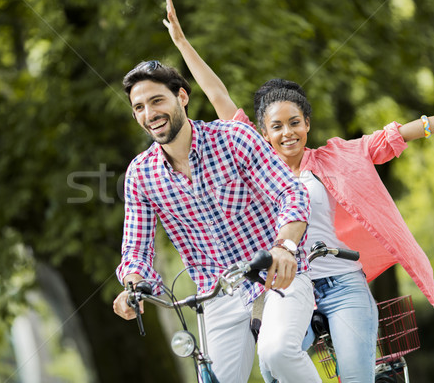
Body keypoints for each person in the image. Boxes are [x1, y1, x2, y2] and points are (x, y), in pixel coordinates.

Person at [163, 0, 434, 382]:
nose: (287, 133)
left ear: (307, 123)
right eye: (276, 127)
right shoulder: (255, 161)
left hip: (343, 284)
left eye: (294, 122)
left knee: (357, 376)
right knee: (274, 362)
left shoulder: (339, 155)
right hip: (288, 287)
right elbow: (218, 96)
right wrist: (182, 44)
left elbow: (405, 132)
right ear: (261, 133)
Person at [112, 59, 325, 383]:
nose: (149, 113)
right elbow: (136, 248)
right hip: (216, 293)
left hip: (275, 275)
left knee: (276, 351)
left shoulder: (232, 138)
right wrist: (132, 285)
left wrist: (284, 248)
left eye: (157, 100)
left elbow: (290, 193)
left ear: (181, 97)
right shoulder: (141, 175)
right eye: (139, 107)